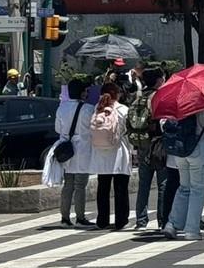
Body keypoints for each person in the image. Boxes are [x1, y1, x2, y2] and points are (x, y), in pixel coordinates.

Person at [163, 100, 204, 241]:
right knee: (197, 190)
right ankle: (192, 230)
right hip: (199, 148)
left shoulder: (179, 101)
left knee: (184, 188)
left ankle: (172, 224)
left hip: (180, 149)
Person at [89, 82, 132, 230]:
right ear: (118, 94)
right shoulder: (123, 110)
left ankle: (102, 220)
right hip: (119, 152)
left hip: (101, 153)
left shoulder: (97, 109)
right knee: (120, 189)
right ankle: (121, 221)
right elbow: (128, 129)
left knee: (103, 188)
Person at [55, 78, 95, 228]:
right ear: (82, 93)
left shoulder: (61, 108)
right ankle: (80, 217)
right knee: (80, 185)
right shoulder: (88, 109)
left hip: (66, 148)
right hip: (82, 148)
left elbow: (57, 129)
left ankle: (65, 218)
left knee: (68, 184)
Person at [130, 68, 166, 229]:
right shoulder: (158, 97)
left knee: (143, 184)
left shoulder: (138, 97)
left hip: (142, 143)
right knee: (163, 183)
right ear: (158, 80)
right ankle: (162, 219)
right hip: (158, 144)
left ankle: (141, 220)